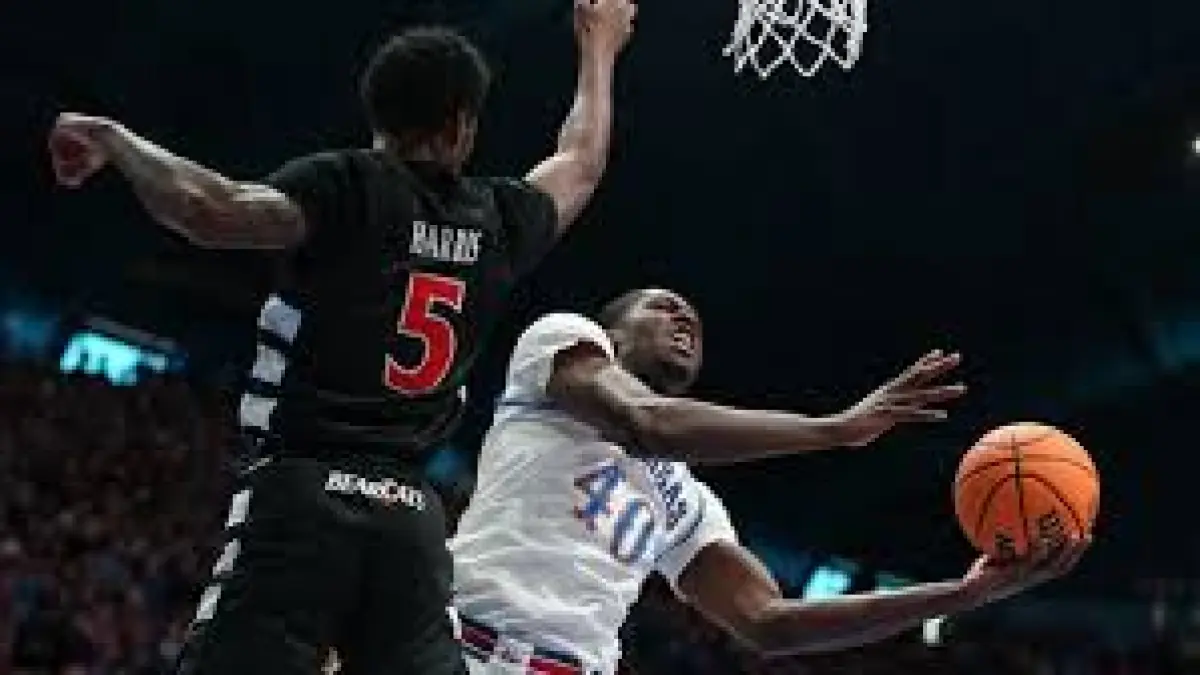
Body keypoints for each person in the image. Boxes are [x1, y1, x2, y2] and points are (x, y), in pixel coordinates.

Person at [46, 5, 636, 674]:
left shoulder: (348, 183)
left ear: (377, 116)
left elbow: (210, 209)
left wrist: (115, 139)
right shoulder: (497, 218)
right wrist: (599, 49)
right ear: (462, 126)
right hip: (410, 521)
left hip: (304, 497)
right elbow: (581, 161)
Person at [448, 288, 1089, 675]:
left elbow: (772, 623)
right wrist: (836, 430)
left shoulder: (686, 503)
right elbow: (650, 423)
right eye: (663, 308)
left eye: (694, 323)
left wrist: (962, 594)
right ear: (611, 332)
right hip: (458, 647)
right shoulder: (560, 346)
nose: (684, 319)